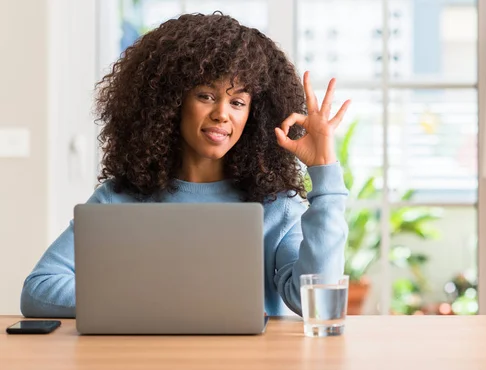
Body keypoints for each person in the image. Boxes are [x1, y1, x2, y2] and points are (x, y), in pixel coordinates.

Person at [20, 12, 351, 318]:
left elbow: (317, 300)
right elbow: (40, 288)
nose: (222, 113)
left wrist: (324, 171)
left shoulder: (276, 208)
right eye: (206, 95)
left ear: (253, 116)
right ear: (170, 102)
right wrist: (161, 302)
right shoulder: (118, 200)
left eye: (237, 102)